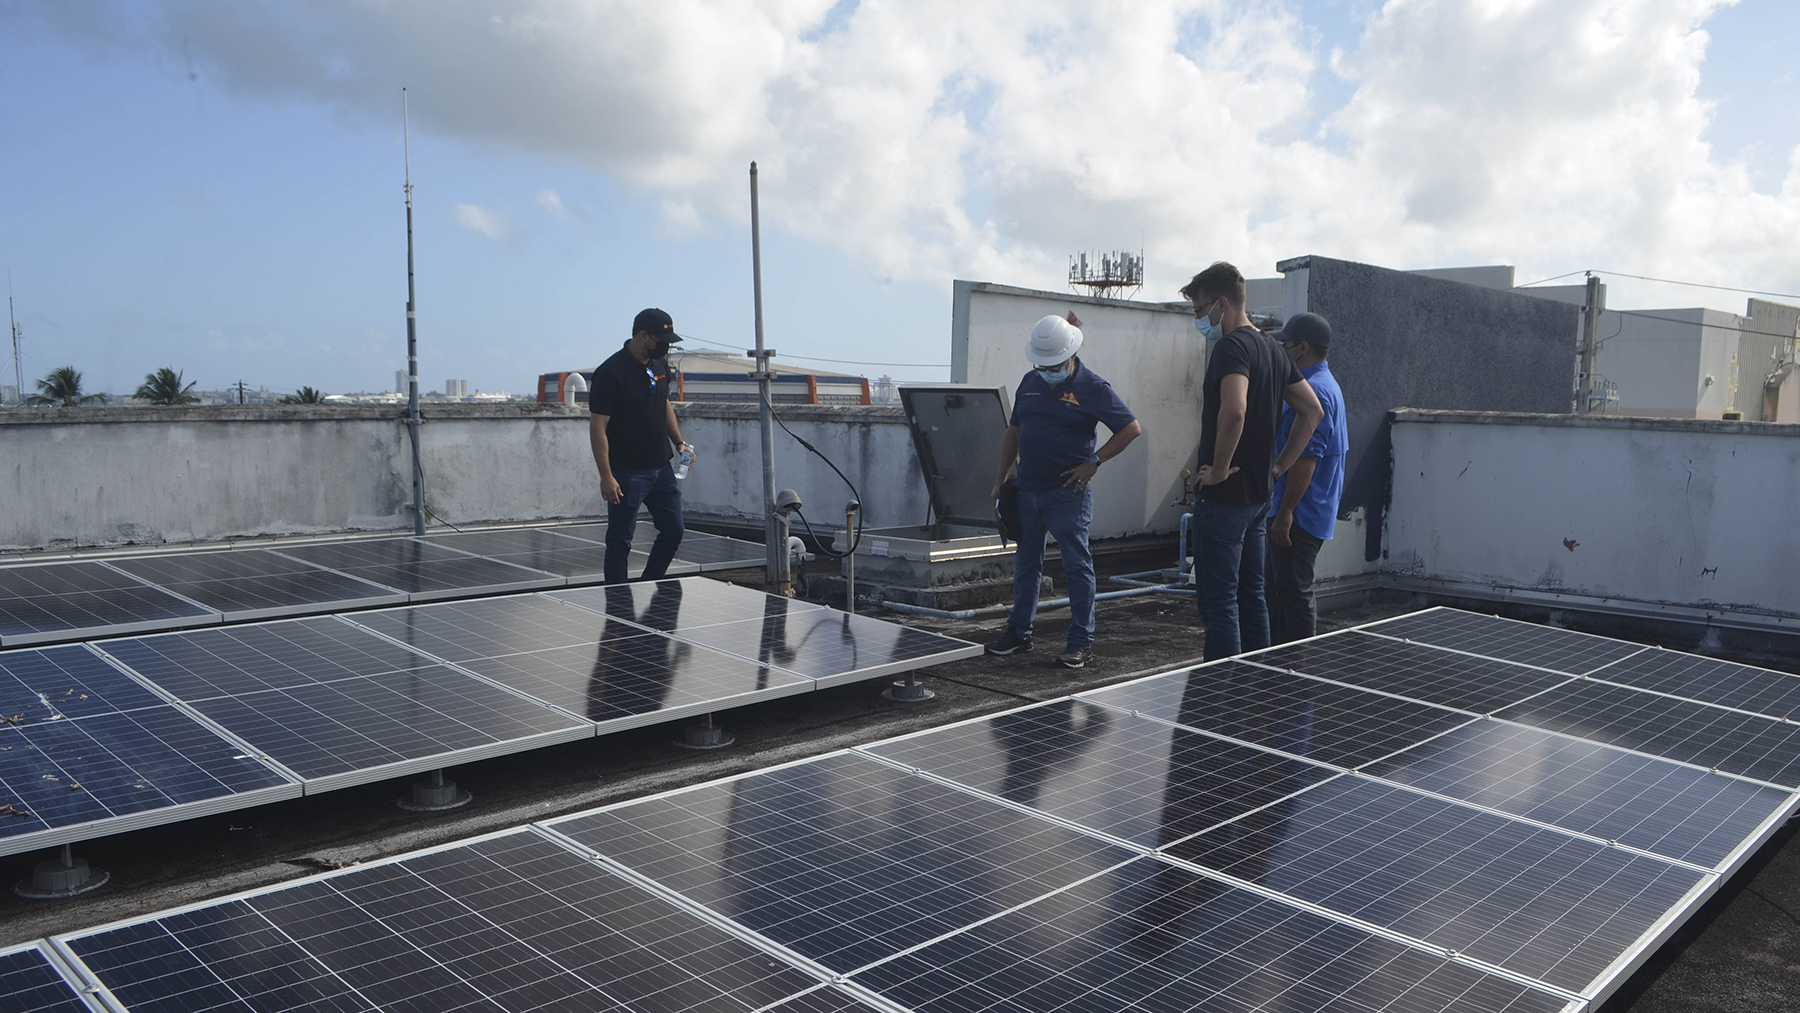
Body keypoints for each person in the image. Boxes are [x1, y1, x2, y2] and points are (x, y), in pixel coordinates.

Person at [1183, 262, 1323, 661]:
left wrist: (1222, 468)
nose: (1199, 319)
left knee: (1220, 604)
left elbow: (1235, 411)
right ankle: (1257, 686)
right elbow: (1312, 412)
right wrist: (1277, 466)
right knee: (1252, 597)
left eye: (1199, 311)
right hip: (1259, 496)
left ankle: (1221, 699)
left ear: (1221, 304)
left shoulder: (1232, 348)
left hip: (1226, 499)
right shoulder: (1272, 350)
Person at [986, 313, 1142, 669]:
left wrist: (1094, 462)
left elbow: (1131, 428)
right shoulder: (1030, 382)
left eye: (1053, 365)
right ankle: (1019, 632)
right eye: (1042, 365)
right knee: (1027, 565)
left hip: (1067, 494)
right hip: (1027, 490)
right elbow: (1014, 433)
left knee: (1077, 566)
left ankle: (1080, 641)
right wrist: (1000, 480)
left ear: (1071, 355)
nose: (1046, 370)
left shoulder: (1094, 388)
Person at [589, 308, 694, 583]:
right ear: (643, 335)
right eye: (661, 340)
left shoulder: (659, 365)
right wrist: (606, 476)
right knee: (620, 541)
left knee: (674, 530)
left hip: (661, 467)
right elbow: (598, 427)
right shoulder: (611, 372)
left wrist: (679, 443)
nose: (666, 347)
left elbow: (664, 403)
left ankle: (649, 583)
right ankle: (618, 606)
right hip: (627, 472)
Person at [1265, 312, 1348, 644]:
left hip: (1300, 512)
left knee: (1293, 592)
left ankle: (1297, 665)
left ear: (1301, 348)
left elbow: (1306, 459)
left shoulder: (1314, 392)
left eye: (1285, 346)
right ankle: (1282, 663)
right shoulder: (1325, 385)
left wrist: (1285, 513)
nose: (1281, 352)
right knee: (1281, 590)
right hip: (1307, 509)